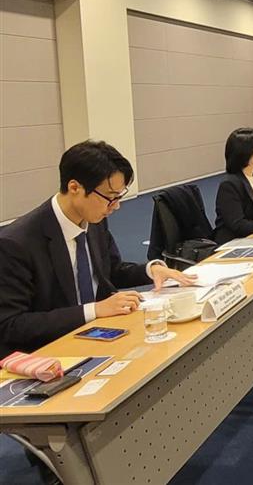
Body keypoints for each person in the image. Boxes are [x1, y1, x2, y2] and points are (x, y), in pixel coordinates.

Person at [0, 140, 194, 357]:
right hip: (51, 352)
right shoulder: (16, 244)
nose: (116, 206)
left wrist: (150, 270)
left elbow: (109, 271)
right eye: (110, 198)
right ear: (75, 188)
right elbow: (11, 325)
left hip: (101, 334)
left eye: (119, 197)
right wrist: (94, 310)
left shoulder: (94, 220)